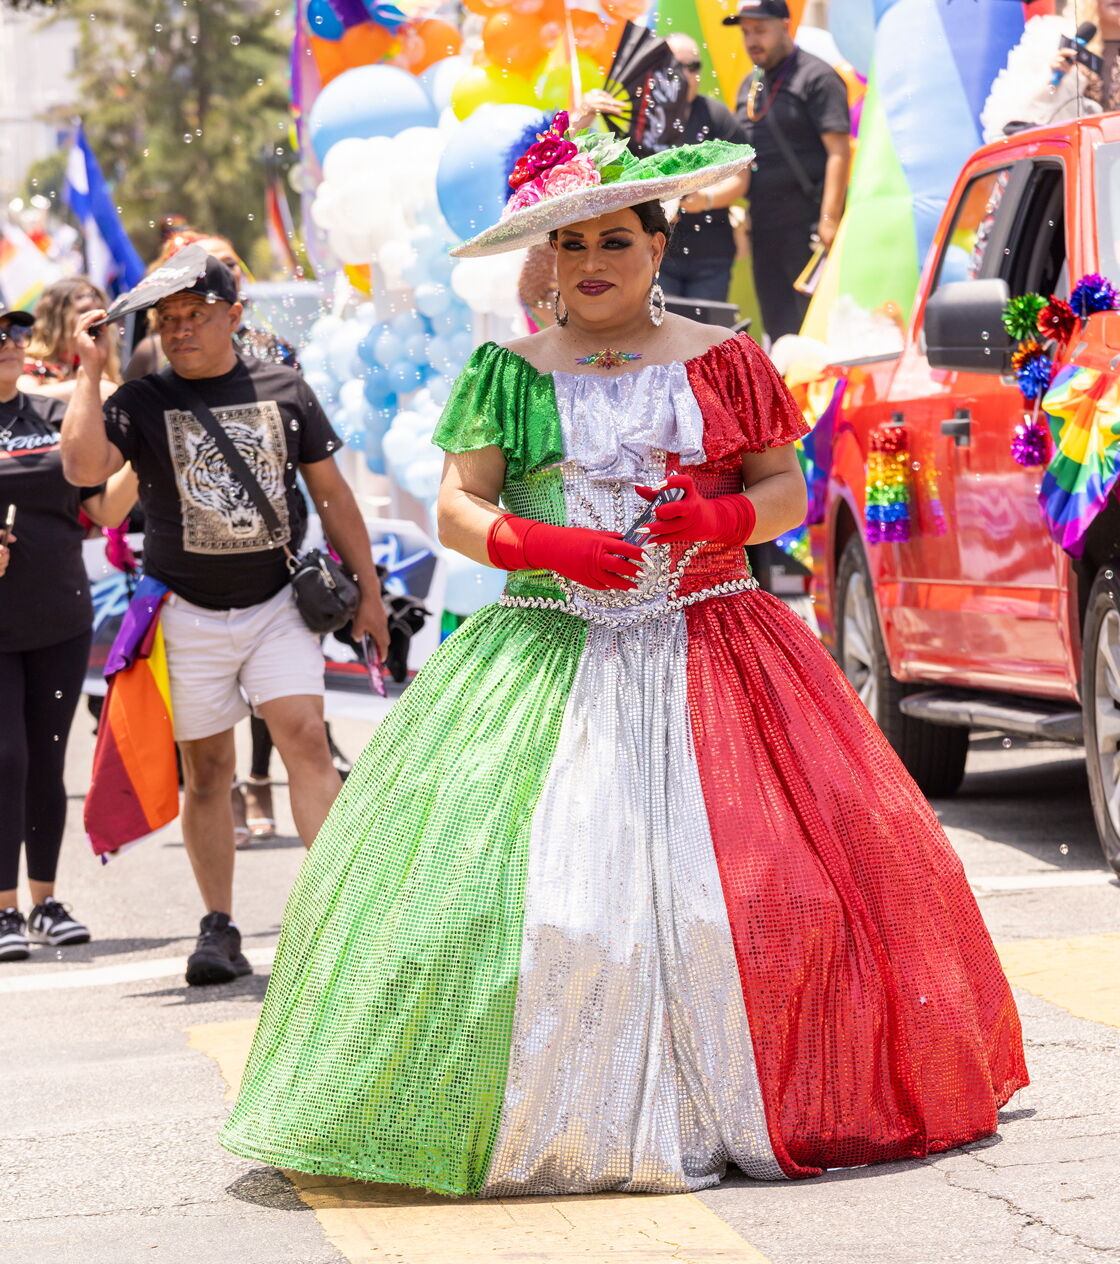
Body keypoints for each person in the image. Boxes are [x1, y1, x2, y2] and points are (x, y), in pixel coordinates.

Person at [219, 121, 1027, 1195]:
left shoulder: (725, 358)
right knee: (541, 905)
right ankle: (556, 1115)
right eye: (571, 243)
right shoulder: (508, 372)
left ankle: (756, 1094)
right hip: (547, 650)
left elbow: (785, 489)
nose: (592, 261)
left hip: (719, 646)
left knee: (754, 892)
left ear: (657, 245)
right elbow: (458, 506)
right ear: (546, 259)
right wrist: (542, 545)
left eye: (615, 240)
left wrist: (721, 516)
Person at [60, 255, 389, 987]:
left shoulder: (285, 388)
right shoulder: (142, 399)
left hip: (277, 606)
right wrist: (89, 371)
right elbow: (83, 471)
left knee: (306, 739)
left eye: (196, 315)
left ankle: (339, 918)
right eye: (168, 319)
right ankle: (218, 925)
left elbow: (333, 497)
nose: (180, 330)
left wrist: (369, 593)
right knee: (208, 772)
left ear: (233, 316)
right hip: (185, 613)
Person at [0, 308, 137, 962]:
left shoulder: (55, 418)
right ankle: (3, 907)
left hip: (59, 617)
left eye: (15, 332)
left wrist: (143, 457)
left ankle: (45, 901)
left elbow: (103, 508)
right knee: (6, 758)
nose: (9, 343)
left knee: (47, 760)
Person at [569, 34, 750, 304]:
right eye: (675, 67)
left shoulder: (715, 114)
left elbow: (741, 179)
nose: (685, 75)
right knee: (655, 324)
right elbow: (567, 147)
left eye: (693, 67)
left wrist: (705, 199)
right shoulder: (634, 114)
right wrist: (585, 113)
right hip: (651, 250)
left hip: (709, 251)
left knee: (705, 327)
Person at [725, 0, 851, 340]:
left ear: (784, 26)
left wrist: (829, 220)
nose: (752, 41)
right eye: (746, 32)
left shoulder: (817, 77)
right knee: (778, 327)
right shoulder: (748, 86)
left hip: (809, 225)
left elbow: (839, 152)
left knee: (816, 327)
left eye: (760, 30)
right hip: (766, 228)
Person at [17, 275, 121, 401]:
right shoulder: (31, 365)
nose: (96, 318)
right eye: (84, 311)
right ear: (56, 320)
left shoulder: (102, 362)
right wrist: (86, 386)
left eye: (100, 310)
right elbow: (21, 398)